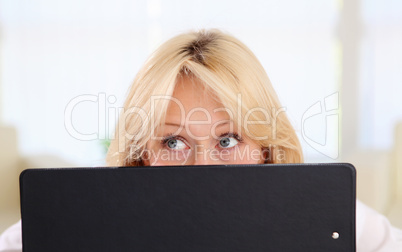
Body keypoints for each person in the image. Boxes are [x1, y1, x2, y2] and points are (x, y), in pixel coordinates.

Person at [1, 29, 401, 251]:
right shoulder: (79, 219)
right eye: (173, 143)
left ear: (266, 149)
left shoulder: (319, 212)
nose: (202, 166)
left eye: (228, 140)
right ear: (141, 155)